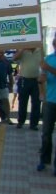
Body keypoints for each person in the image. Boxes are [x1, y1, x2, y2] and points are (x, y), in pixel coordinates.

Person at [37, 37, 56, 175]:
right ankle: (44, 160)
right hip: (50, 101)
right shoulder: (48, 58)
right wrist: (41, 87)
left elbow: (48, 70)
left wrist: (48, 68)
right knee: (46, 134)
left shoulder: (48, 63)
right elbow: (42, 78)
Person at [13, 47, 42, 130]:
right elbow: (14, 58)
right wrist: (22, 49)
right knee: (22, 102)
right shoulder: (22, 50)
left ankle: (34, 124)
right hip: (24, 80)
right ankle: (21, 121)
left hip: (37, 80)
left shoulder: (40, 50)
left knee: (36, 103)